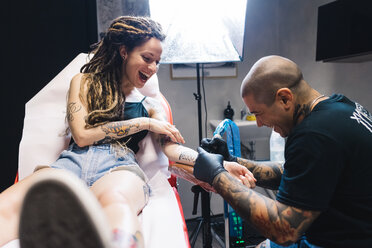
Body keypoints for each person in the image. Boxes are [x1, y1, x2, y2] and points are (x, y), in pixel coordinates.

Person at [0, 16, 255, 248]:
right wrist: (144, 124)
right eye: (147, 58)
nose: (153, 68)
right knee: (7, 208)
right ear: (124, 51)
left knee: (117, 203)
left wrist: (218, 167)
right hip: (71, 165)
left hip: (118, 168)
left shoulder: (151, 105)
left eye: (157, 61)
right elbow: (82, 136)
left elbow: (172, 151)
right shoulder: (83, 82)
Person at [193, 55, 372, 248]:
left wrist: (217, 177)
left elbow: (284, 230)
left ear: (284, 98)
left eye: (258, 114)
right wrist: (231, 159)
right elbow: (298, 172)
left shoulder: (313, 134)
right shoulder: (342, 107)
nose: (260, 124)